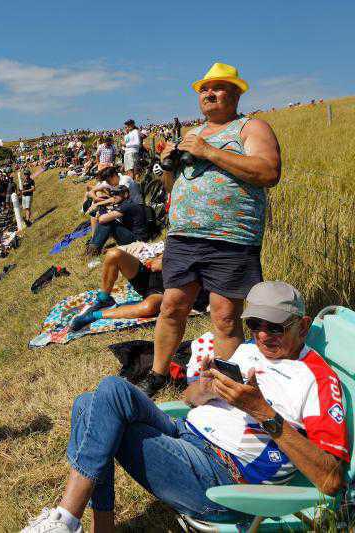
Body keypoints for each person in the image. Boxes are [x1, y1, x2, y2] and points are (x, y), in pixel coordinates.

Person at [23, 282, 347, 533]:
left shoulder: (317, 382)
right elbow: (190, 399)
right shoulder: (250, 349)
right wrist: (205, 389)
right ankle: (84, 524)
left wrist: (261, 411)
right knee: (96, 399)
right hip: (185, 435)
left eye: (275, 326)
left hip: (222, 477)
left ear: (303, 326)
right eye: (256, 324)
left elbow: (331, 480)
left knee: (96, 406)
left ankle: (65, 520)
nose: (263, 334)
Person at [143, 63, 281, 397]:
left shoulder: (251, 128)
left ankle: (226, 388)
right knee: (171, 306)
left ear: (235, 94)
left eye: (218, 88)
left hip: (231, 238)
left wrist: (209, 152)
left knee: (224, 317)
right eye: (204, 89)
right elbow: (174, 185)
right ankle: (157, 375)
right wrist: (167, 166)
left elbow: (268, 171)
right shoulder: (192, 134)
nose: (208, 93)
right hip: (183, 235)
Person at [70, 250, 209, 331]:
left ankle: (95, 315)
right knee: (113, 254)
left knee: (148, 307)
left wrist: (167, 264)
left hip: (167, 290)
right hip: (151, 276)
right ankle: (104, 299)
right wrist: (160, 259)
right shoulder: (185, 233)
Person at [86, 186, 147, 255]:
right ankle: (93, 246)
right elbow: (112, 200)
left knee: (107, 222)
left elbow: (102, 220)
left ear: (126, 194)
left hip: (136, 240)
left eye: (117, 193)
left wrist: (100, 214)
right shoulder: (126, 202)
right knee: (106, 219)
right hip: (131, 234)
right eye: (113, 193)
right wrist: (98, 204)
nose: (114, 196)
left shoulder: (127, 205)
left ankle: (93, 250)